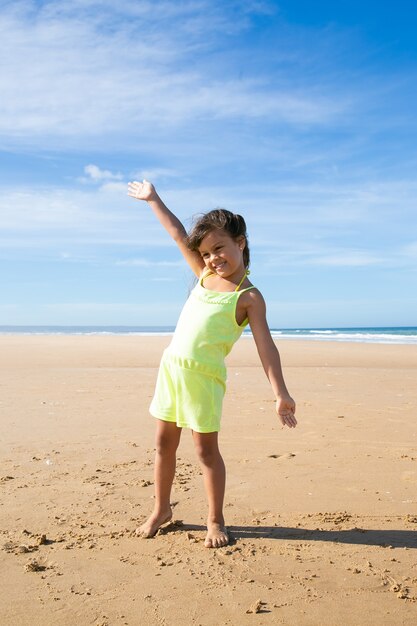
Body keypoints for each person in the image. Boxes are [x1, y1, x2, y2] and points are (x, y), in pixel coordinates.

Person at [127, 179, 297, 548]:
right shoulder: (204, 276)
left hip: (204, 379)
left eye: (218, 248)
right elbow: (176, 234)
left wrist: (280, 392)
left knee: (206, 452)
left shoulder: (248, 297)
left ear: (241, 242)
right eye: (205, 253)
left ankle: (215, 519)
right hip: (171, 369)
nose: (212, 258)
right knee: (163, 444)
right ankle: (161, 509)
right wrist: (153, 199)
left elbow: (266, 347)